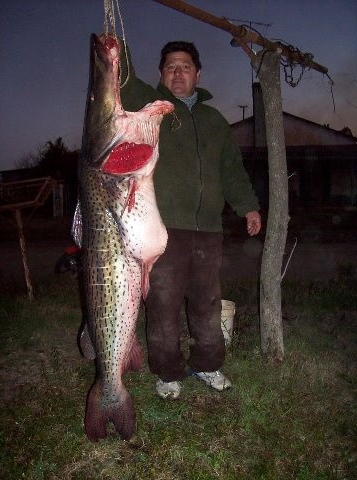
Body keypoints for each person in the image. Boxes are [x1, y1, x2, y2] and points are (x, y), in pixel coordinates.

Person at [120, 39, 261, 399]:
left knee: (207, 301)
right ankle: (167, 372)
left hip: (209, 230)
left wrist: (248, 205)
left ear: (198, 73)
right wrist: (117, 43)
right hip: (164, 229)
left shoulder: (214, 120)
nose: (178, 72)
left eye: (185, 66)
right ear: (161, 75)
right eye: (170, 67)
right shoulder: (151, 107)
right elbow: (122, 80)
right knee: (163, 303)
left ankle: (207, 364)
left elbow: (231, 168)